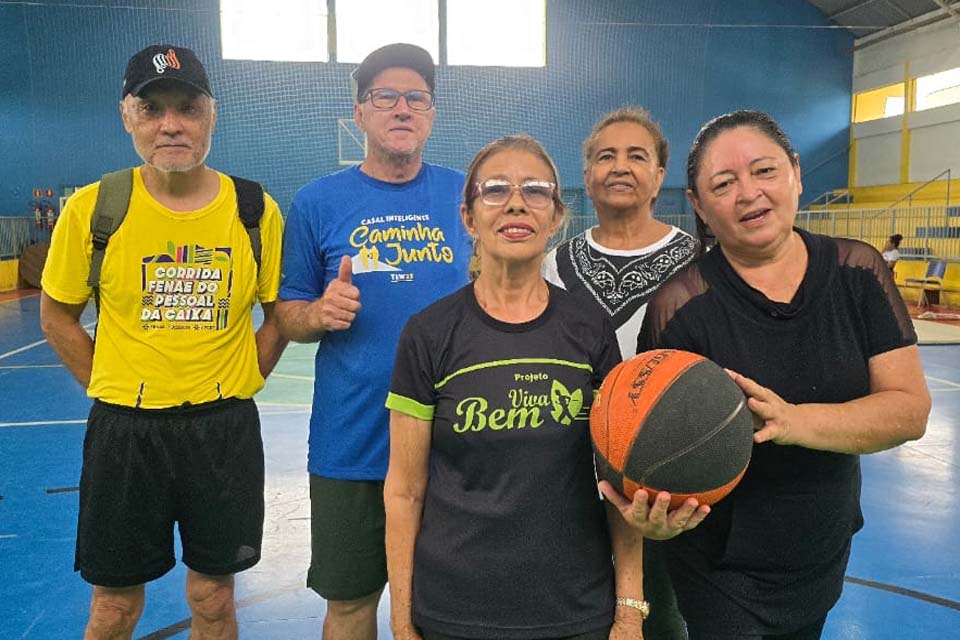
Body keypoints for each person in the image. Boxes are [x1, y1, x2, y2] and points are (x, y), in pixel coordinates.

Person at [637, 110, 931, 639]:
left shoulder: (858, 272)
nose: (748, 193)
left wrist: (792, 422)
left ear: (795, 172)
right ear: (700, 207)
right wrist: (653, 509)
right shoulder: (680, 307)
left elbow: (909, 411)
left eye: (764, 170)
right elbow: (648, 441)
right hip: (718, 558)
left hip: (819, 539)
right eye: (723, 183)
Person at [39, 44, 286, 639]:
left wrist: (245, 375)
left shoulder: (254, 210)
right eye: (152, 109)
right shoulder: (94, 208)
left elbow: (279, 315)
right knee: (114, 607)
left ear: (211, 115)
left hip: (224, 432)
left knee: (213, 599)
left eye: (187, 107)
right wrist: (109, 383)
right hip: (125, 434)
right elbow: (55, 315)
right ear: (128, 117)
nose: (170, 124)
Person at [385, 134, 645, 640]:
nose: (516, 202)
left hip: (573, 607)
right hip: (453, 611)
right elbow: (404, 490)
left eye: (536, 190)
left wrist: (629, 610)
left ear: (555, 217)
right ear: (468, 217)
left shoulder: (589, 328)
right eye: (496, 189)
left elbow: (619, 485)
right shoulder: (429, 332)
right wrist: (401, 620)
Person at [275, 43, 472, 639]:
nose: (402, 108)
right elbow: (287, 315)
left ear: (432, 114)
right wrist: (319, 313)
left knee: (451, 610)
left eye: (417, 98)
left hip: (455, 447)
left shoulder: (466, 196)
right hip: (351, 445)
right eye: (384, 97)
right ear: (358, 114)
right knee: (351, 605)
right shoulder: (315, 202)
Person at [543, 107, 703, 639]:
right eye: (604, 156)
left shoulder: (702, 262)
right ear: (585, 175)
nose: (620, 166)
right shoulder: (551, 264)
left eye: (638, 155)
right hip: (567, 478)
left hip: (665, 480)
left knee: (662, 618)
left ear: (660, 176)